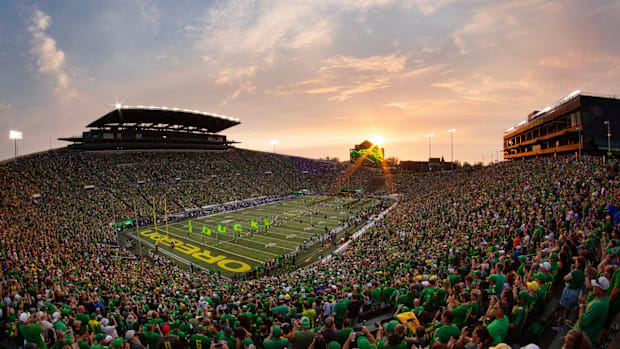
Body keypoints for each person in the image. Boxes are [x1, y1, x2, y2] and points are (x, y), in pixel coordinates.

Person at [574, 277, 610, 344]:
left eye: (595, 286)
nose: (593, 286)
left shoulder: (599, 305)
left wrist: (581, 305)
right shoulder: (603, 298)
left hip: (582, 339)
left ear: (600, 289)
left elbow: (582, 321)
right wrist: (585, 304)